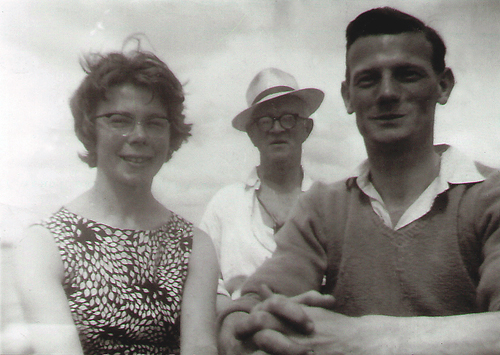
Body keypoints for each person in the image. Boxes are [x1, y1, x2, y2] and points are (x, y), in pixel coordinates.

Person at [218, 7, 500, 355]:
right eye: (368, 79)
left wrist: (363, 339)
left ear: (443, 85)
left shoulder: (490, 197)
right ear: (348, 96)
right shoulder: (323, 207)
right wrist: (242, 327)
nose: (386, 93)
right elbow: (257, 298)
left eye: (407, 75)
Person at [13, 44, 218, 355]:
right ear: (89, 129)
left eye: (154, 122)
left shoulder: (195, 247)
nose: (139, 136)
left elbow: (200, 348)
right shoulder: (45, 244)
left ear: (171, 135)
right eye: (120, 120)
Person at [199, 68, 324, 312]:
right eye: (265, 121)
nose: (277, 129)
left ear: (306, 129)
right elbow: (203, 283)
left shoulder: (327, 203)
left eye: (288, 118)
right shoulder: (224, 205)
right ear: (252, 134)